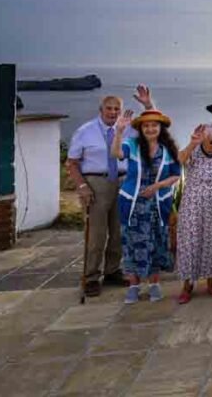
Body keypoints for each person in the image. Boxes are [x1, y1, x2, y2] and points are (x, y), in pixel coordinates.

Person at [65, 85, 154, 297]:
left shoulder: (129, 128)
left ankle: (113, 270)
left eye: (117, 109)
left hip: (123, 182)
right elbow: (71, 163)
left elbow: (153, 125)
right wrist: (82, 186)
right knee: (97, 234)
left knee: (119, 232)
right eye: (109, 108)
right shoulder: (85, 131)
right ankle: (91, 277)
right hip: (97, 183)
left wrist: (148, 104)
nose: (113, 112)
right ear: (101, 109)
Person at [111, 108, 182, 304]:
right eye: (146, 126)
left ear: (161, 128)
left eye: (154, 125)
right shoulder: (132, 145)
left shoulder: (168, 150)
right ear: (141, 129)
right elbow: (116, 153)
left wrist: (158, 186)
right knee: (132, 245)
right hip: (133, 205)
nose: (150, 129)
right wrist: (118, 132)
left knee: (156, 244)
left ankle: (154, 285)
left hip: (156, 206)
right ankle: (133, 286)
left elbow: (176, 174)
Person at [175, 123, 212, 303]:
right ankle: (187, 286)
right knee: (191, 241)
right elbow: (178, 160)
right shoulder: (194, 151)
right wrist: (193, 143)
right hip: (193, 204)